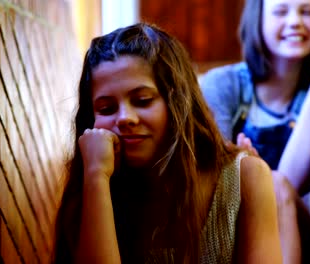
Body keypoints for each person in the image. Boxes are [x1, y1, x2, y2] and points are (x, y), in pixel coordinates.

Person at [52, 22, 283, 264]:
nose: (124, 118)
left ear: (177, 104)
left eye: (142, 100)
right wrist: (97, 177)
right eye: (107, 108)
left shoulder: (244, 177)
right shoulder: (90, 187)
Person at [200, 0, 310, 262]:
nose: (295, 21)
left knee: (275, 184)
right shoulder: (224, 84)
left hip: (307, 234)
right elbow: (212, 179)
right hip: (235, 226)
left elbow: (285, 186)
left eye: (307, 11)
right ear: (257, 19)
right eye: (281, 11)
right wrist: (246, 171)